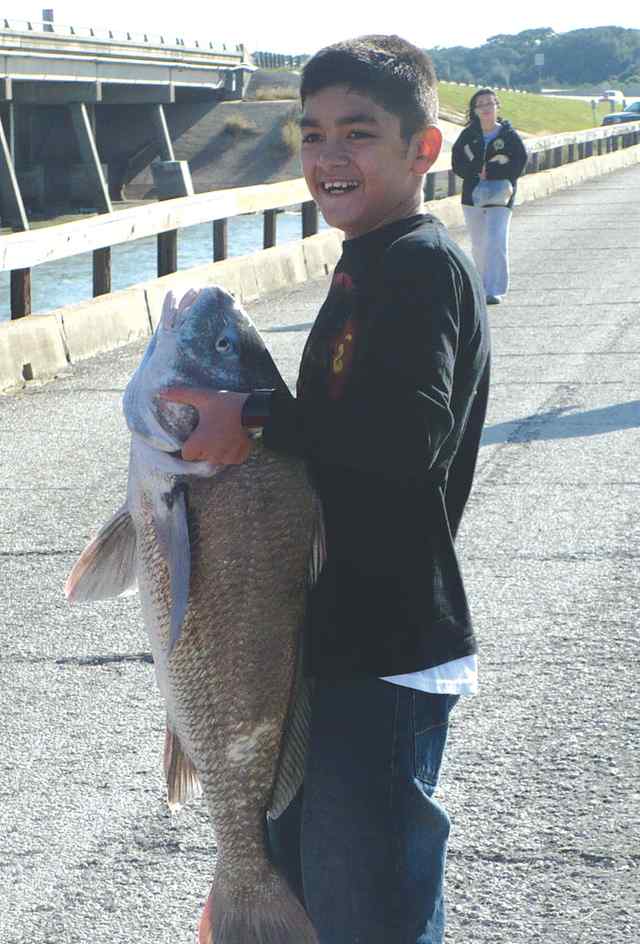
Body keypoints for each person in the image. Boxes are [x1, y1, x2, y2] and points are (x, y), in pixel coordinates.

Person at [163, 35, 491, 944]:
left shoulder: (417, 267)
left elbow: (408, 440)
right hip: (336, 641)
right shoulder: (370, 259)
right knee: (311, 897)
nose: (328, 157)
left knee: (370, 913)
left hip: (388, 646)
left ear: (425, 149)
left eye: (359, 134)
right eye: (311, 134)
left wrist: (258, 417)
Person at [451, 87, 528, 305]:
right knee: (478, 243)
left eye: (490, 103)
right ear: (474, 110)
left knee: (496, 240)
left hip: (501, 196)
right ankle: (481, 287)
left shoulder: (509, 136)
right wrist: (476, 170)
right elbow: (458, 163)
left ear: (497, 107)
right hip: (472, 196)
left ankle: (495, 290)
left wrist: (493, 172)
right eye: (481, 104)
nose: (486, 108)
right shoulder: (468, 136)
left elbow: (519, 163)